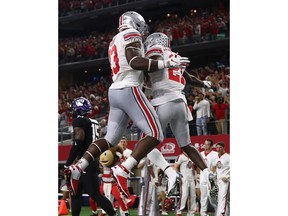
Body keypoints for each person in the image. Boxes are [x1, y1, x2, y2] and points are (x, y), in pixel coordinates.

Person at [64, 11, 190, 199]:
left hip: (115, 90)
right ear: (135, 22)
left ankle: (78, 167)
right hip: (129, 88)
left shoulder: (114, 40)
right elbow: (134, 61)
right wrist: (166, 63)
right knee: (155, 134)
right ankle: (122, 170)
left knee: (110, 140)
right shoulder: (132, 34)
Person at [143, 32, 218, 199]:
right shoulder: (175, 56)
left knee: (146, 146)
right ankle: (207, 173)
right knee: (186, 145)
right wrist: (204, 84)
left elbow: (147, 65)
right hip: (181, 103)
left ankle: (170, 173)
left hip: (163, 100)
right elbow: (189, 79)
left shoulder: (157, 51)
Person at [64, 97, 116, 216]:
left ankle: (113, 214)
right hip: (92, 161)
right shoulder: (94, 122)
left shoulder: (80, 121)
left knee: (94, 194)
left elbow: (78, 142)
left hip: (84, 163)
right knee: (76, 193)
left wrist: (68, 163)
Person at [199, 139, 218, 216]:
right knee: (203, 197)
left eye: (207, 144)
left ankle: (217, 210)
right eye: (205, 144)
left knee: (212, 197)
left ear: (211, 146)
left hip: (212, 179)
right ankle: (203, 213)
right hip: (202, 178)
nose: (205, 146)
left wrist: (212, 175)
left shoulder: (215, 154)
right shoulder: (200, 154)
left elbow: (215, 166)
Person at [174, 152, 197, 216]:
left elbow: (192, 168)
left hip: (191, 178)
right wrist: (179, 177)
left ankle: (191, 213)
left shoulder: (191, 156)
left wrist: (194, 177)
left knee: (193, 196)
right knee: (184, 195)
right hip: (184, 178)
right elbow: (175, 167)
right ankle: (179, 211)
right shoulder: (180, 156)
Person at [211, 142, 230, 216]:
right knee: (220, 198)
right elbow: (213, 167)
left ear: (223, 148)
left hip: (225, 180)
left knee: (223, 197)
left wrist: (228, 177)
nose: (218, 149)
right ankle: (226, 213)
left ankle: (221, 213)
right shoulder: (215, 157)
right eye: (217, 148)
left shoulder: (228, 157)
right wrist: (213, 175)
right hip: (217, 180)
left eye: (220, 147)